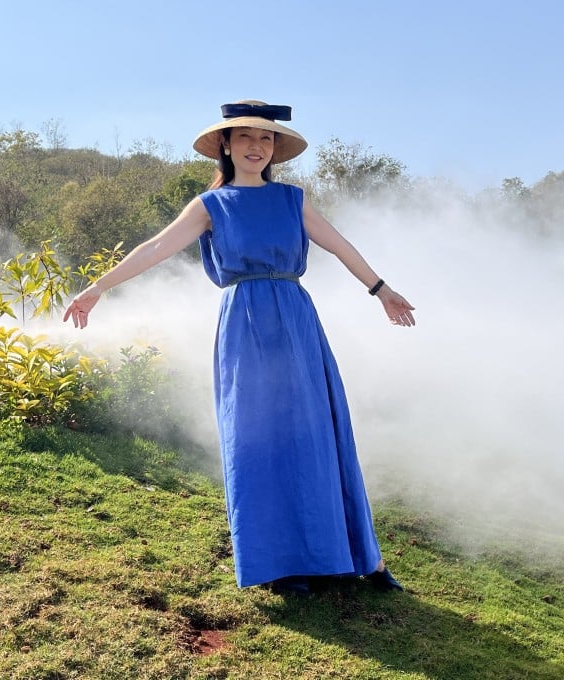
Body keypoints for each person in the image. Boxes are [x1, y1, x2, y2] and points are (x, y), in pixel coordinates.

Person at [64, 100, 416, 594]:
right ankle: (280, 565)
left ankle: (355, 558)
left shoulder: (293, 199)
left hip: (296, 322)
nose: (257, 147)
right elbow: (155, 248)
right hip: (245, 327)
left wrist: (382, 290)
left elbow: (338, 244)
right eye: (246, 137)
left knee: (315, 432)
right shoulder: (211, 206)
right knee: (258, 435)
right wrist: (96, 288)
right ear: (226, 145)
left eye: (266, 139)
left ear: (275, 149)